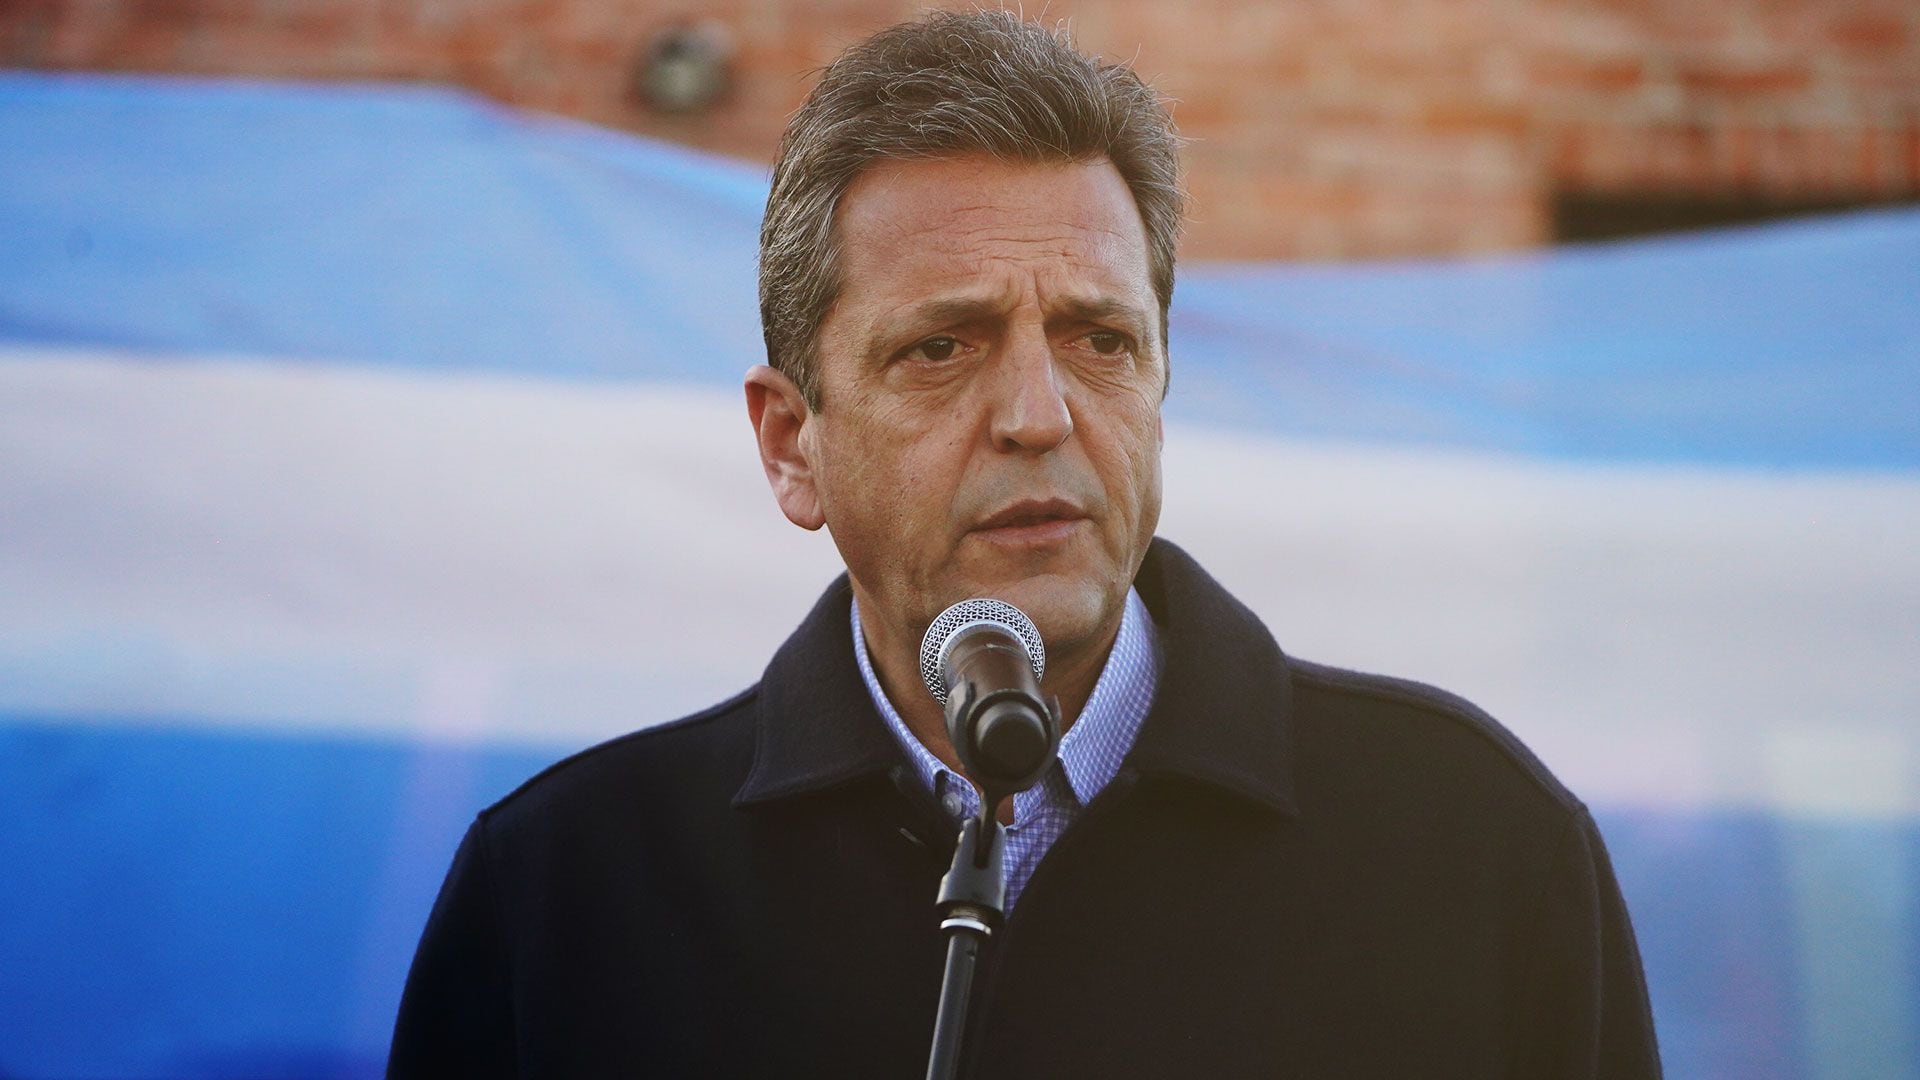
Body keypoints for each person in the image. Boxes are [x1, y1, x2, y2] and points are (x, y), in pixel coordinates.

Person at [388, 11, 1661, 1078]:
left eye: (1102, 341)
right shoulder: (569, 895)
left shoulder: (1472, 843)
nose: (1040, 416)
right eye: (942, 347)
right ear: (791, 445)